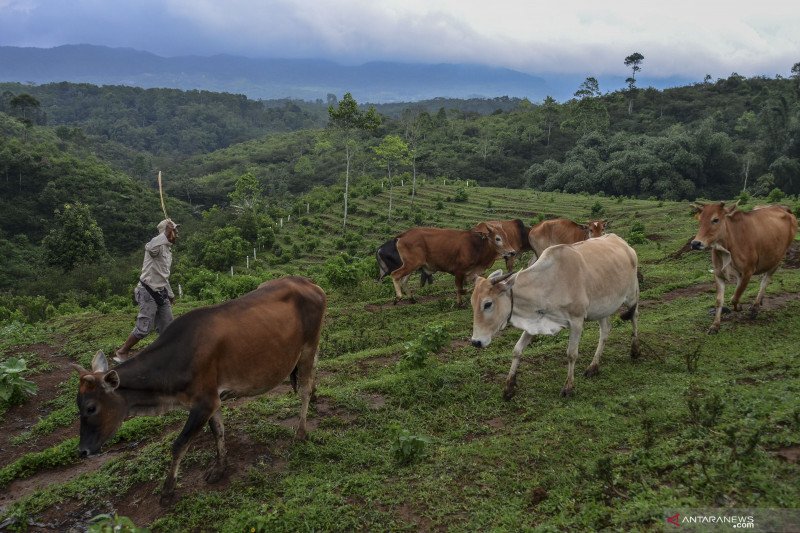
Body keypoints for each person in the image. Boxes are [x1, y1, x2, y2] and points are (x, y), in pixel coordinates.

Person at [114, 218, 178, 363]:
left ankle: (165, 355)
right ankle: (122, 351)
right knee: (144, 328)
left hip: (160, 291)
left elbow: (162, 274)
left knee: (168, 327)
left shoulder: (168, 250)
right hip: (147, 291)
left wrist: (170, 293)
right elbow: (149, 247)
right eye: (175, 230)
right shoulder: (156, 247)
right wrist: (165, 234)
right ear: (167, 232)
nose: (177, 234)